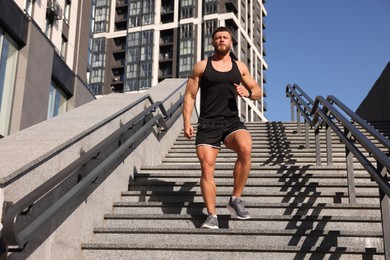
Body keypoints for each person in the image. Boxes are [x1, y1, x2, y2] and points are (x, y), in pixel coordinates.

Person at [182, 26, 262, 229]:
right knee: (207, 168)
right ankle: (212, 215)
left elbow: (257, 91)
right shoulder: (202, 66)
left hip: (231, 122)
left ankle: (235, 199)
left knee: (246, 147)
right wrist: (186, 122)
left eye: (225, 37)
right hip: (207, 124)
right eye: (217, 37)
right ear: (213, 42)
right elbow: (190, 95)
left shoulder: (239, 67)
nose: (221, 40)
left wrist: (248, 92)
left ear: (231, 42)